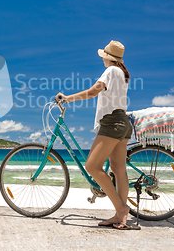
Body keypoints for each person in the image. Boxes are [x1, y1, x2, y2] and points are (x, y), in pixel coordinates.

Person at [56, 40, 139, 230]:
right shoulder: (124, 74)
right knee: (119, 170)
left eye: (104, 56)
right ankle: (120, 218)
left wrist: (68, 97)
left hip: (112, 123)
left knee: (92, 166)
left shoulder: (111, 71)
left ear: (108, 57)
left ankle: (121, 208)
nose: (102, 59)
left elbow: (94, 91)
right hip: (124, 122)